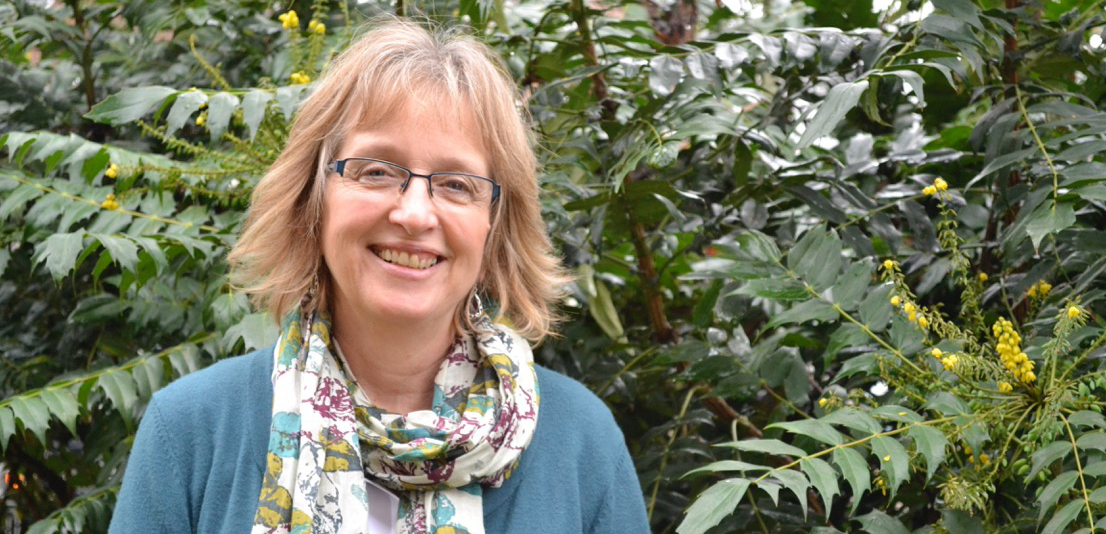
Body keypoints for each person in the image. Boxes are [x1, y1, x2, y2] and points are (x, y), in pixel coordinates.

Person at [108, 18, 650, 534]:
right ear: (313, 199)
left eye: (457, 184)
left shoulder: (581, 443)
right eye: (376, 171)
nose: (414, 214)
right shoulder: (192, 432)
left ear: (495, 225)